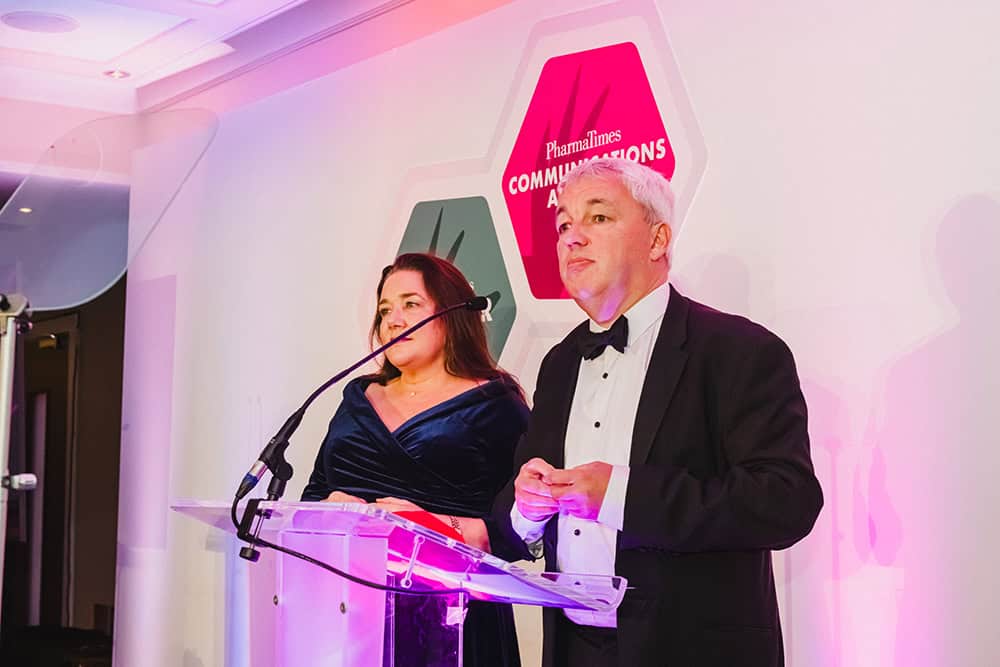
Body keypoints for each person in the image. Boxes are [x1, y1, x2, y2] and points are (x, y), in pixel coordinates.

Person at [491, 158, 823, 667]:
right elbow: (512, 509)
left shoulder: (740, 350)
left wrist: (620, 495)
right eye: (563, 224)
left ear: (657, 239)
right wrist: (527, 510)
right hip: (571, 650)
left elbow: (786, 502)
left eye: (598, 217)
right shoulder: (559, 363)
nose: (572, 237)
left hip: (695, 650)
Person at [302, 252, 528, 667]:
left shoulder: (495, 404)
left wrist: (433, 528)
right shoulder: (357, 398)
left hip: (451, 618)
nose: (393, 320)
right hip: (348, 611)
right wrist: (328, 510)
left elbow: (522, 526)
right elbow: (314, 493)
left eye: (411, 304)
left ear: (451, 314)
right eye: (385, 310)